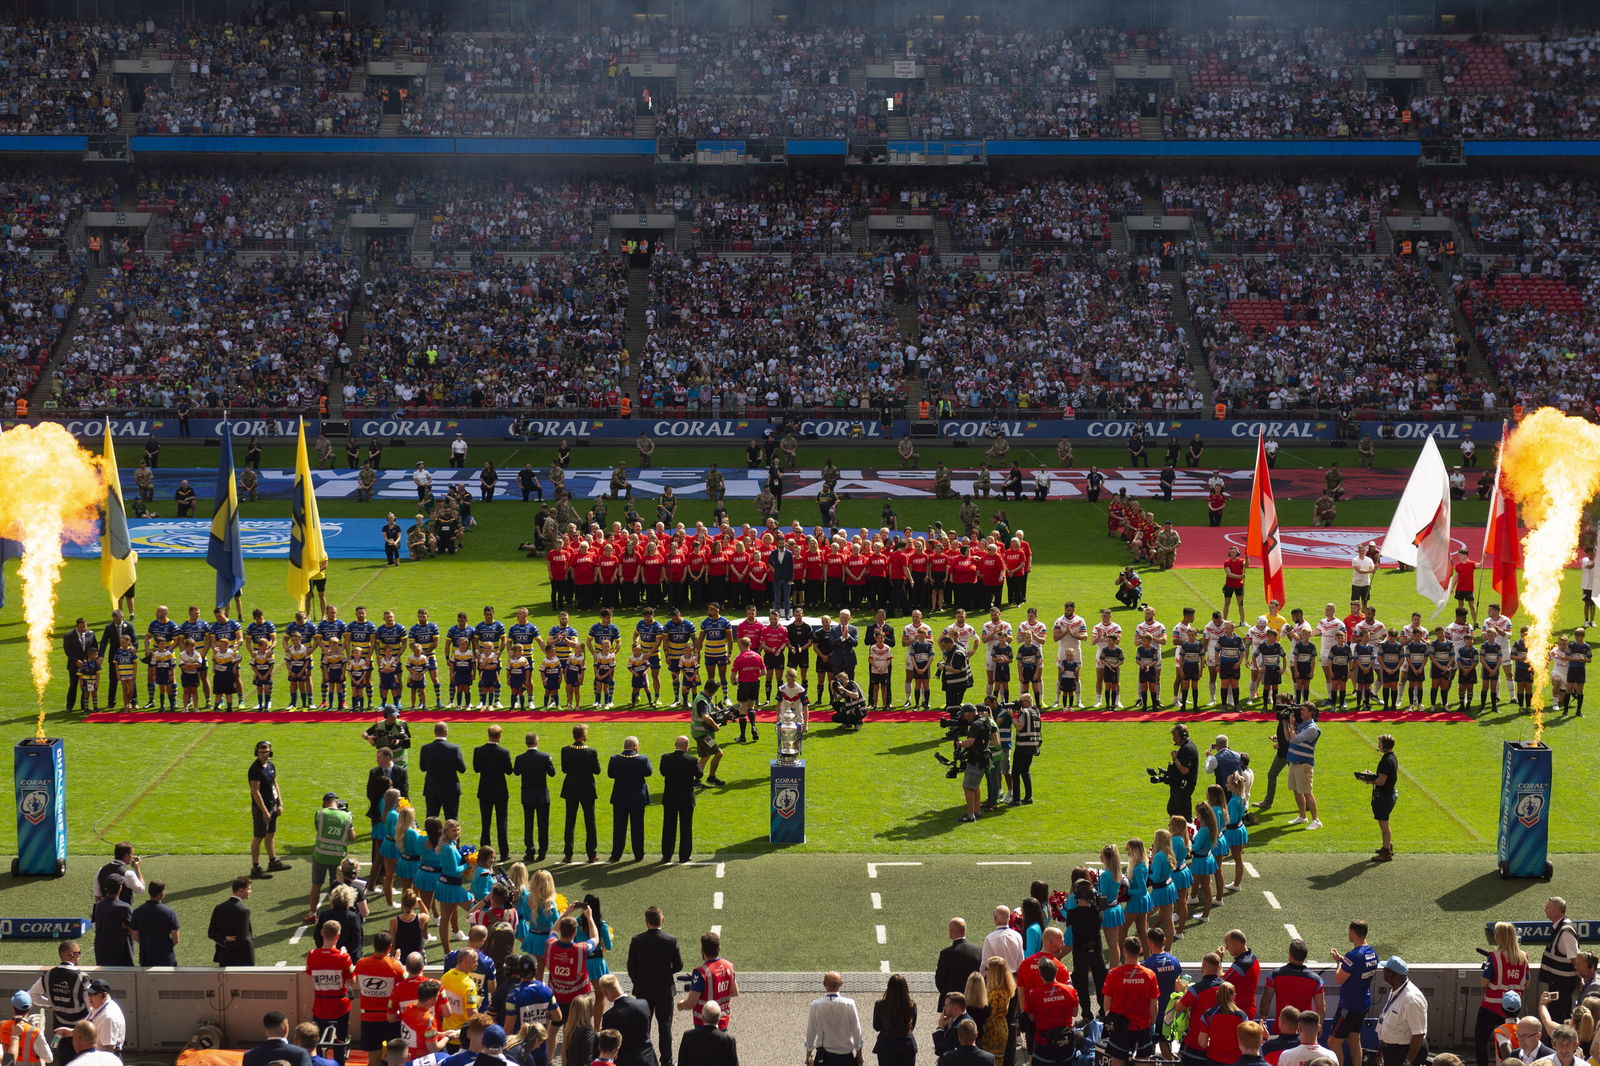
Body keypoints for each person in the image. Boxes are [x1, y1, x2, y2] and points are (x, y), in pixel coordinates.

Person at [627, 907, 682, 1066]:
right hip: (664, 989)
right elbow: (678, 965)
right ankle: (666, 1061)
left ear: (646, 922)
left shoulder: (637, 940)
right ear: (662, 920)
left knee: (644, 1026)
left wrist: (639, 980)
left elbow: (631, 967)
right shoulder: (671, 940)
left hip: (643, 990)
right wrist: (666, 972)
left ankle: (644, 1059)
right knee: (665, 1026)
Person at [1103, 936, 1159, 1066]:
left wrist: (1108, 1017)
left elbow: (1107, 1002)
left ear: (1124, 951)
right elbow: (1154, 1005)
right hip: (1142, 1027)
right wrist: (1152, 1023)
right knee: (1142, 1062)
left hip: (1119, 1027)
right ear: (1140, 950)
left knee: (1117, 1061)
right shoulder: (1149, 974)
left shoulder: (1113, 974)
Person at [680, 931, 738, 1032]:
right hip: (722, 1021)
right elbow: (735, 992)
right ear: (718, 949)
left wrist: (680, 1004)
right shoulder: (729, 966)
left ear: (702, 951)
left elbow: (690, 1003)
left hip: (703, 1024)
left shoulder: (701, 973)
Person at [607, 737, 653, 863]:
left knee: (619, 828)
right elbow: (648, 773)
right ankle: (638, 854)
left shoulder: (615, 759)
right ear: (635, 746)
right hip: (637, 798)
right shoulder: (642, 759)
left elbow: (610, 774)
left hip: (620, 798)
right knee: (638, 827)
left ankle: (616, 855)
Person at [470, 725, 513, 859]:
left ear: (488, 734)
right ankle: (504, 853)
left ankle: (485, 853)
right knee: (502, 823)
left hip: (484, 790)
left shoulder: (478, 750)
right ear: (500, 736)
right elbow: (509, 771)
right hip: (500, 791)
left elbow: (476, 769)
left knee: (485, 823)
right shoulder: (504, 752)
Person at [248, 741, 289, 880]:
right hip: (261, 808)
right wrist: (265, 811)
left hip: (272, 804)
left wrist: (280, 803)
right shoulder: (255, 769)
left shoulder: (271, 766)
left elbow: (275, 784)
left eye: (266, 751)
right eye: (261, 752)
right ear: (257, 752)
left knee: (271, 834)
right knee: (259, 836)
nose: (263, 754)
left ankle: (273, 861)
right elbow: (255, 792)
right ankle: (256, 868)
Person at [804, 972, 864, 1066]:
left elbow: (811, 1032)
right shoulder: (849, 1004)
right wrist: (859, 1054)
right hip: (845, 1057)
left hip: (823, 1057)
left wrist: (808, 1054)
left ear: (824, 984)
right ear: (841, 984)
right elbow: (857, 1031)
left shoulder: (815, 1005)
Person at [1376, 957, 1427, 1066]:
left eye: (1385, 969)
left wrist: (1408, 1062)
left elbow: (1419, 1035)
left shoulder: (1411, 999)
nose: (1383, 971)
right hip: (1391, 1051)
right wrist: (1382, 1048)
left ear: (1393, 975)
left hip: (1403, 1053)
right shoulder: (1395, 990)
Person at [513, 733, 555, 864]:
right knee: (543, 824)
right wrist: (550, 761)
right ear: (537, 742)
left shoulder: (520, 758)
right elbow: (552, 773)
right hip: (542, 795)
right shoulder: (544, 757)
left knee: (528, 823)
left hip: (527, 795)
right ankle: (542, 851)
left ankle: (529, 851)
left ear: (526, 743)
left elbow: (516, 772)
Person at [658, 736, 700, 864]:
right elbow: (699, 774)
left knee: (668, 826)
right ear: (687, 747)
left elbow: (663, 772)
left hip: (670, 797)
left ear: (675, 744)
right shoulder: (692, 759)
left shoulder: (666, 758)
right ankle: (684, 856)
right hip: (686, 797)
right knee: (686, 827)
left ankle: (667, 855)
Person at [1541, 898, 1582, 1022]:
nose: (1544, 909)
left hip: (1562, 985)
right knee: (1554, 1012)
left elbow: (1575, 958)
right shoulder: (1561, 926)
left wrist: (1580, 979)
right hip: (1557, 983)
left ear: (1556, 911)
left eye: (1548, 907)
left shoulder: (1565, 932)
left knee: (1557, 1015)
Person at [1283, 706, 1321, 830]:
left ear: (1311, 712)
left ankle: (1316, 820)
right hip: (1294, 762)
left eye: (1303, 710)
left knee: (1307, 792)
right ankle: (1302, 816)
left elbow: (1296, 739)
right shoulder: (1302, 725)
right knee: (1296, 790)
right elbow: (1288, 738)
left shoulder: (1312, 728)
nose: (1301, 712)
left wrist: (1292, 726)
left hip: (1304, 764)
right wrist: (1286, 722)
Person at [418, 723, 466, 821]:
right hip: (451, 789)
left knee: (431, 820)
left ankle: (431, 837)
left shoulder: (425, 748)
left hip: (432, 789)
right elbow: (462, 769)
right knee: (452, 820)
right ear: (446, 732)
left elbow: (423, 768)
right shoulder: (454, 749)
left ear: (434, 732)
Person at [129, 879, 180, 967]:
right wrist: (166, 946)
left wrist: (146, 944)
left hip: (146, 957)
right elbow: (176, 939)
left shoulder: (138, 912)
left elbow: (135, 935)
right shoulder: (170, 912)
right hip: (166, 958)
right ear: (162, 893)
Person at [871, 973, 918, 1066]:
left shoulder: (880, 1005)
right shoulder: (911, 1005)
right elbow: (912, 1027)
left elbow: (876, 1026)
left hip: (886, 1046)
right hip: (906, 1046)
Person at [209, 875, 255, 966]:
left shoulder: (218, 908)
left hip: (224, 956)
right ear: (241, 890)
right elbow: (243, 938)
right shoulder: (243, 910)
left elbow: (211, 933)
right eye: (248, 889)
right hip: (243, 958)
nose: (250, 891)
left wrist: (225, 938)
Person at [677, 1001, 738, 1066]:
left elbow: (682, 1062)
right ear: (719, 1018)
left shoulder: (688, 1036)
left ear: (702, 1018)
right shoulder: (728, 1040)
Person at [937, 918, 983, 1003]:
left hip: (952, 1001)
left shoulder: (946, 953)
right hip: (972, 998)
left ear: (951, 932)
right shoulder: (977, 949)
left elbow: (940, 980)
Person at [90, 884, 132, 967]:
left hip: (102, 950)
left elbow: (95, 924)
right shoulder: (124, 907)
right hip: (120, 952)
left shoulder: (98, 905)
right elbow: (132, 929)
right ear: (120, 888)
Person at [1167, 724, 1200, 819]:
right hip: (1179, 787)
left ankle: (1184, 833)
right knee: (1172, 810)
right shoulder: (1186, 747)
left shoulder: (1187, 749)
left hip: (1183, 788)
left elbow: (1184, 770)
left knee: (1182, 816)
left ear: (1183, 736)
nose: (1174, 739)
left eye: (1175, 736)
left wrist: (1175, 758)